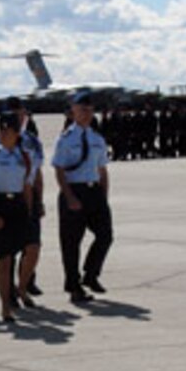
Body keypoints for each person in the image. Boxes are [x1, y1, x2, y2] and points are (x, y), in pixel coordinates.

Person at [52, 90, 113, 303]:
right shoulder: (66, 139)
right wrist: (69, 197)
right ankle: (74, 286)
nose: (86, 114)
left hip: (94, 192)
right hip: (74, 190)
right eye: (81, 110)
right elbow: (59, 170)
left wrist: (103, 196)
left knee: (105, 235)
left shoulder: (97, 138)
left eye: (89, 110)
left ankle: (91, 274)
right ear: (73, 112)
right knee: (71, 243)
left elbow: (103, 170)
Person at [0, 111, 34, 322]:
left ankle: (21, 288)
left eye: (8, 130)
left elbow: (27, 186)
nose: (3, 134)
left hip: (18, 206)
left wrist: (28, 212)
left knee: (28, 250)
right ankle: (5, 305)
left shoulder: (24, 157)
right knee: (4, 259)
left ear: (16, 133)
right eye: (0, 130)